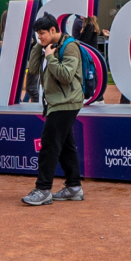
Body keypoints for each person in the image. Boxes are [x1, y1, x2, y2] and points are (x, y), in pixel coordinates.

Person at [21, 11, 85, 206]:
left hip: (66, 103)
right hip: (56, 103)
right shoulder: (46, 46)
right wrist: (38, 47)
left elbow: (66, 76)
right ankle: (74, 187)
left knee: (49, 146)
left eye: (42, 34)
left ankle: (43, 189)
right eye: (37, 35)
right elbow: (32, 69)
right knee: (65, 146)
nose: (40, 37)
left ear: (53, 29)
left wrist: (50, 57)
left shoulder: (70, 46)